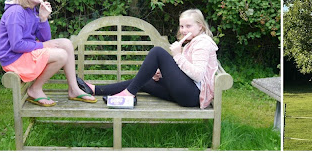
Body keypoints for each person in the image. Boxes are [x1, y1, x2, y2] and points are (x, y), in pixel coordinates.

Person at [77, 9, 219, 109]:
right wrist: (163, 74)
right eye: (182, 26)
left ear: (200, 26)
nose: (183, 30)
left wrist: (177, 55)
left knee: (158, 52)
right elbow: (185, 71)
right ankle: (95, 90)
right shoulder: (193, 42)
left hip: (192, 96)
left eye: (188, 26)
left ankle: (128, 94)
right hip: (185, 92)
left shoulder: (203, 43)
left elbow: (198, 75)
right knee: (144, 81)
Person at [0, 0, 97, 107]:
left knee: (66, 43)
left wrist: (43, 18)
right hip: (13, 59)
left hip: (23, 53)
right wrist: (43, 45)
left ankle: (74, 89)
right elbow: (16, 45)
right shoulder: (16, 12)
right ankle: (35, 89)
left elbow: (46, 39)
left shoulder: (32, 11)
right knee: (61, 55)